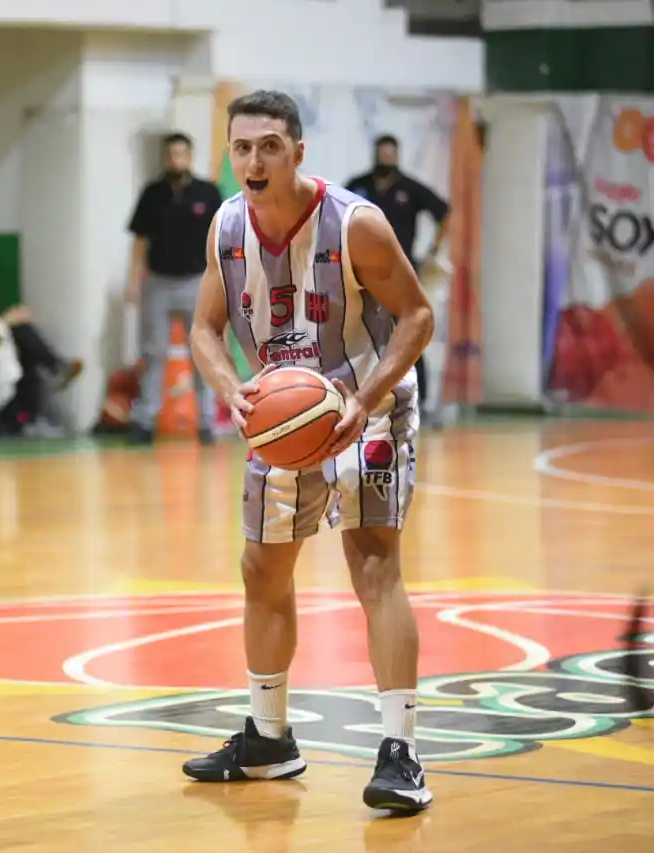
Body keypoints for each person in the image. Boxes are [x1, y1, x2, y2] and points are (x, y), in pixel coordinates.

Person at [184, 91, 435, 812]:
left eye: (268, 146)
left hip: (369, 405)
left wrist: (363, 398)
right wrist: (231, 387)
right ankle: (268, 737)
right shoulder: (227, 226)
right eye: (241, 148)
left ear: (298, 151)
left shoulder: (356, 224)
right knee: (262, 567)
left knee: (375, 564)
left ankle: (401, 753)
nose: (253, 161)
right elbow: (204, 328)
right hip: (281, 411)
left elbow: (418, 316)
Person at [125, 132, 223, 445]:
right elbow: (140, 239)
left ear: (190, 157)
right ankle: (145, 420)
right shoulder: (152, 193)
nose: (175, 160)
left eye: (181, 154)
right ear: (165, 158)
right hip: (158, 282)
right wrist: (132, 280)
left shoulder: (207, 193)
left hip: (197, 282)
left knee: (202, 353)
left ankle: (206, 422)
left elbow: (221, 237)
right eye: (171, 155)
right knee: (153, 352)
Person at [346, 135, 450, 420]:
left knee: (407, 334)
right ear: (376, 155)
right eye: (383, 154)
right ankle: (361, 399)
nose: (387, 159)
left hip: (400, 273)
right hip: (362, 273)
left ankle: (423, 401)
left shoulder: (410, 188)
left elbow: (444, 212)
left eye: (391, 154)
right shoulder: (358, 185)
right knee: (361, 334)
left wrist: (434, 250)